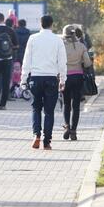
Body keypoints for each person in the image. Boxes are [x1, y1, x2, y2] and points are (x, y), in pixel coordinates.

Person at [21, 15, 66, 150]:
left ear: (40, 24)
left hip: (35, 77)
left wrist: (23, 80)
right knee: (49, 111)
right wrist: (63, 79)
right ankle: (47, 141)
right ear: (52, 24)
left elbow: (26, 60)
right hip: (51, 78)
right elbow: (62, 61)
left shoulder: (33, 39)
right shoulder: (57, 40)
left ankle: (36, 135)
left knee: (36, 108)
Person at [62, 25, 93, 141]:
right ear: (75, 34)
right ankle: (74, 131)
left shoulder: (61, 46)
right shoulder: (81, 46)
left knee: (66, 103)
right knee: (76, 105)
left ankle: (66, 126)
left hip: (65, 77)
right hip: (78, 77)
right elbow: (88, 63)